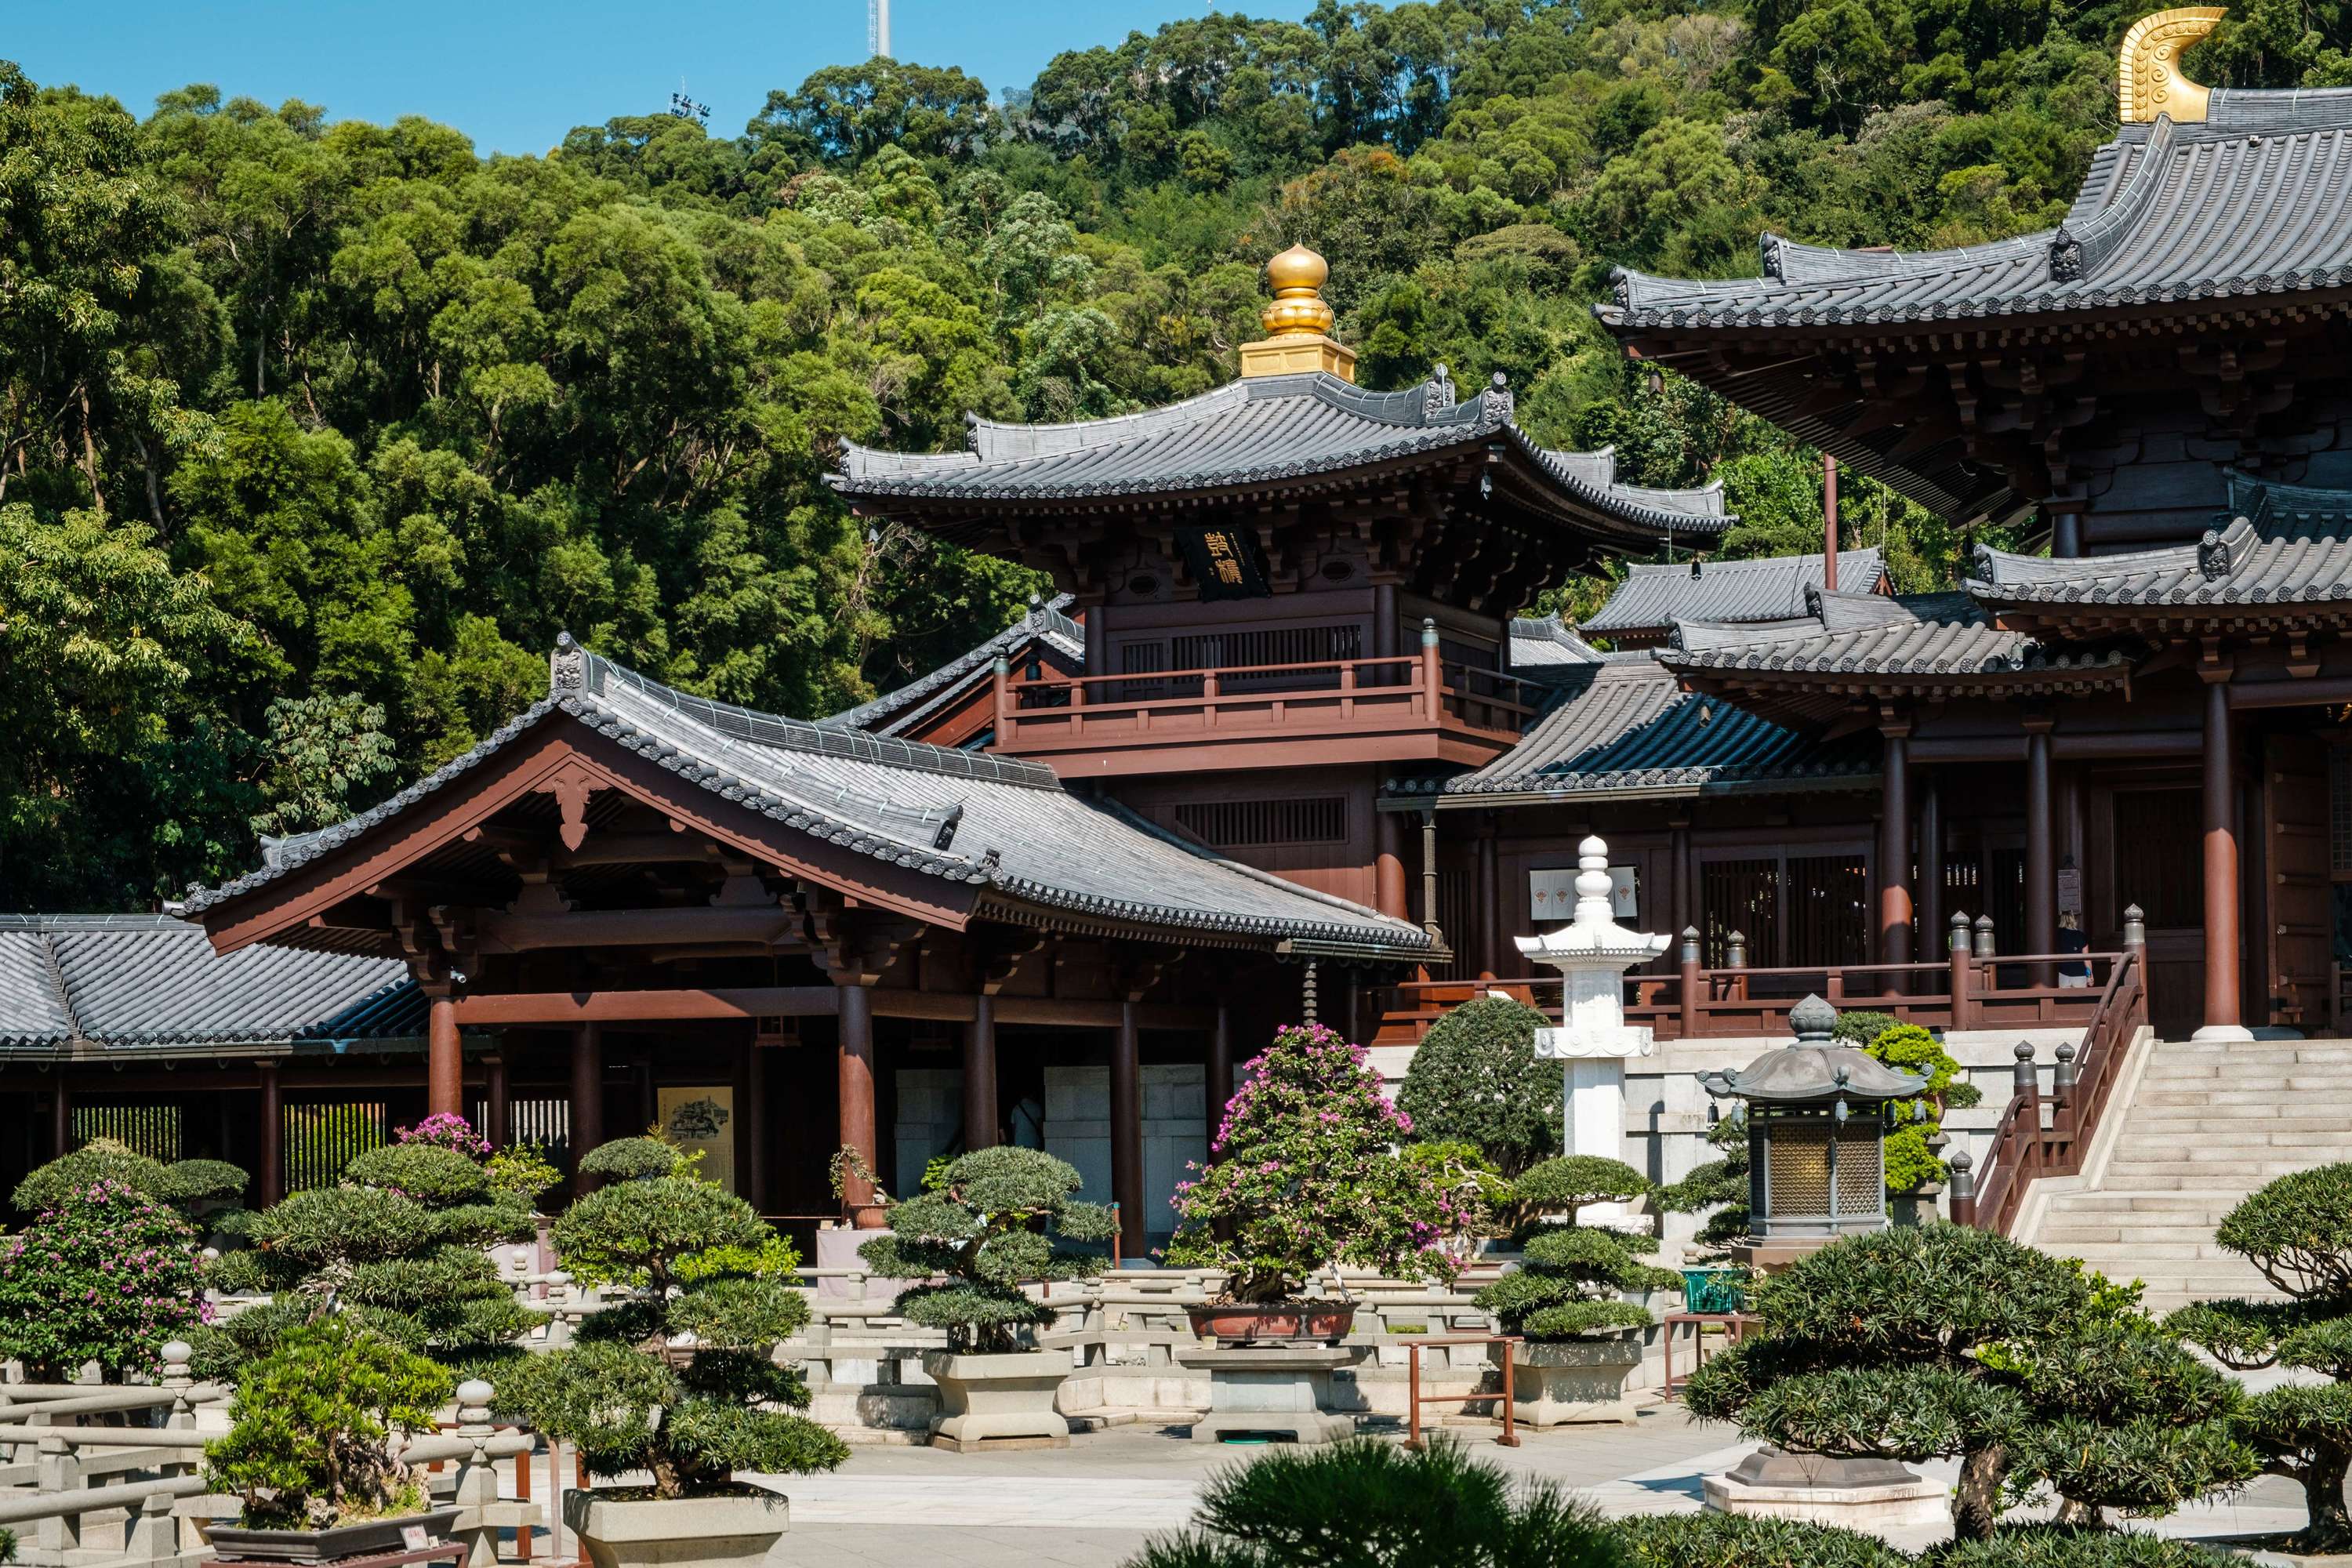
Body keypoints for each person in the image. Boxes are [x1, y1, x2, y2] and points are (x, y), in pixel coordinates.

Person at [2056, 909, 2091, 987]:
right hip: (2080, 974)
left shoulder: (2058, 934)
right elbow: (2087, 959)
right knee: (2080, 998)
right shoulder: (2081, 936)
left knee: (2063, 998)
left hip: (2063, 973)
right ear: (2074, 920)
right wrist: (2090, 976)